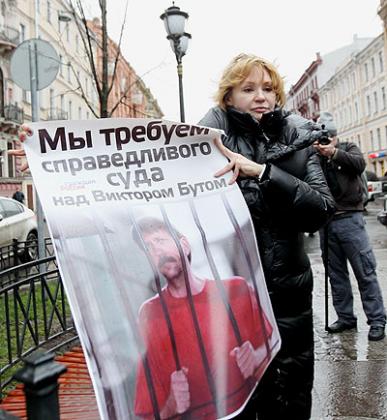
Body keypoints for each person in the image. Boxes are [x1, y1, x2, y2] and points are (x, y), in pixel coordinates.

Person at [199, 53, 335, 420]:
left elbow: (321, 210)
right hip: (230, 292)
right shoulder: (202, 146)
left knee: (290, 392)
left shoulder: (299, 140)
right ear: (228, 97)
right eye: (248, 89)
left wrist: (263, 173)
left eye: (268, 88)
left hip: (289, 291)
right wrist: (46, 157)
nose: (261, 96)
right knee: (238, 394)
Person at [132, 217, 275, 420]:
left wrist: (256, 358)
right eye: (148, 248)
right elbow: (149, 414)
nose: (157, 251)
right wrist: (172, 405)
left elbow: (272, 356)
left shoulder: (237, 290)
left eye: (160, 240)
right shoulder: (150, 314)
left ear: (184, 244)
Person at [314, 111, 386, 341]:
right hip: (326, 223)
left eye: (330, 137)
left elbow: (358, 164)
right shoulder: (313, 157)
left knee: (365, 272)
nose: (326, 141)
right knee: (336, 275)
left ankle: (377, 320)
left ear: (336, 136)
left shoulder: (348, 148)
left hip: (350, 220)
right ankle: (345, 318)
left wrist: (334, 153)